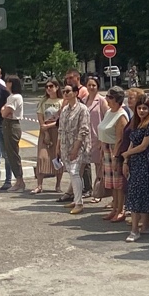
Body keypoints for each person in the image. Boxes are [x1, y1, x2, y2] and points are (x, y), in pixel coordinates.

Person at [121, 94, 149, 239]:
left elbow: (143, 146)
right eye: (139, 108)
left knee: (138, 195)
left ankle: (135, 230)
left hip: (144, 162)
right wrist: (126, 161)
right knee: (137, 194)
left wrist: (126, 154)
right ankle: (145, 226)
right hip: (134, 162)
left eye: (145, 108)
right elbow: (133, 141)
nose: (142, 111)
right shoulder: (136, 123)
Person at [57, 83, 93, 213]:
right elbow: (60, 130)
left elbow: (83, 130)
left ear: (76, 93)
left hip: (79, 146)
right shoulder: (65, 110)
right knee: (72, 173)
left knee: (74, 172)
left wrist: (75, 149)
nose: (65, 94)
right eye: (64, 91)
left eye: (68, 91)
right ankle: (75, 199)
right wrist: (58, 147)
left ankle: (79, 203)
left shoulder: (82, 109)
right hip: (66, 145)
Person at [98, 87, 129, 221]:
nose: (107, 99)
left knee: (118, 183)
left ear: (117, 99)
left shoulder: (121, 115)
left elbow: (120, 139)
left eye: (109, 97)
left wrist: (116, 157)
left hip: (114, 151)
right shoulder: (109, 112)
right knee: (111, 183)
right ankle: (114, 208)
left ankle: (120, 210)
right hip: (105, 149)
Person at [35, 78, 62, 195]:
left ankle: (58, 185)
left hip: (56, 131)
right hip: (44, 131)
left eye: (51, 86)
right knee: (42, 157)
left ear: (57, 87)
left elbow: (61, 119)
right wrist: (44, 130)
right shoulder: (43, 101)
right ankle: (39, 185)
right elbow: (40, 116)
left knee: (57, 158)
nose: (49, 89)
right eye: (47, 87)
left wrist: (49, 126)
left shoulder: (61, 101)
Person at [0, 75, 26, 192]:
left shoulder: (15, 97)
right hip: (8, 124)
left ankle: (19, 181)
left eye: (8, 82)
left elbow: (5, 113)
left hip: (11, 125)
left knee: (13, 154)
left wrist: (3, 109)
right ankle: (18, 180)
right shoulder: (11, 97)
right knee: (10, 153)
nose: (6, 84)